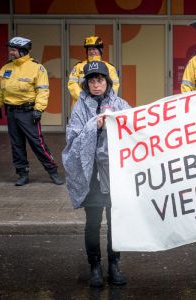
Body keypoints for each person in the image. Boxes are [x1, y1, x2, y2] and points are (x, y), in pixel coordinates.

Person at [62, 61, 131, 287]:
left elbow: (134, 131)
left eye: (100, 80)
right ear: (87, 84)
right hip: (91, 175)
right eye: (92, 80)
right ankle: (94, 266)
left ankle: (114, 264)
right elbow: (72, 141)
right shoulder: (79, 108)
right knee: (93, 223)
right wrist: (96, 127)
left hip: (114, 175)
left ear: (108, 82)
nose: (96, 84)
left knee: (115, 223)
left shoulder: (120, 104)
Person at [0, 37, 64, 186]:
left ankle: (52, 171)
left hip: (28, 112)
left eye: (13, 50)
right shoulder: (6, 68)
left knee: (37, 143)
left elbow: (43, 91)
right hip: (11, 112)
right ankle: (22, 173)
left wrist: (38, 109)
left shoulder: (37, 68)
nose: (11, 52)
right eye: (10, 49)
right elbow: (1, 89)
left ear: (22, 50)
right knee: (16, 144)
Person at [68, 36, 120, 107]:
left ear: (100, 50)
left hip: (103, 105)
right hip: (81, 105)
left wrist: (104, 100)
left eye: (94, 49)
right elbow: (72, 85)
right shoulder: (78, 67)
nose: (92, 51)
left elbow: (114, 86)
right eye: (89, 49)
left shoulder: (109, 67)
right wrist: (85, 99)